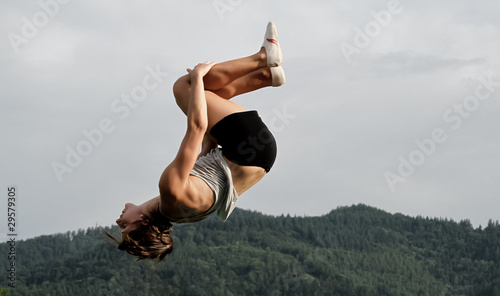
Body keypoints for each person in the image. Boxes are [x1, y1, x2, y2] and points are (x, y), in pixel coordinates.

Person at [107, 22, 286, 262]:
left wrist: (208, 134)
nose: (119, 222)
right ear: (142, 221)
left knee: (207, 100)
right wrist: (198, 78)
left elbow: (209, 156)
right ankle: (263, 57)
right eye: (124, 228)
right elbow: (197, 127)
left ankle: (267, 76)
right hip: (248, 146)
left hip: (258, 157)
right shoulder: (169, 189)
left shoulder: (182, 216)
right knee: (185, 87)